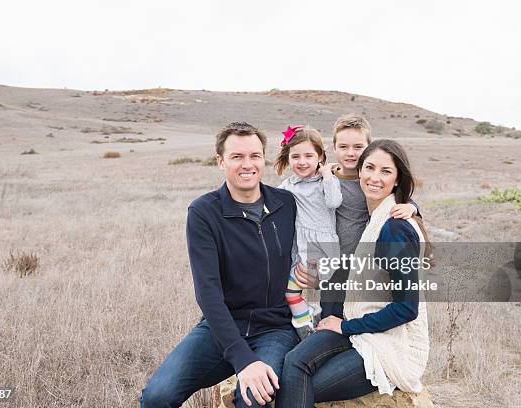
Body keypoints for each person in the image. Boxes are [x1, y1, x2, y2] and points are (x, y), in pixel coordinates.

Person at [139, 122, 299, 408]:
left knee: (253, 399)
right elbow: (208, 294)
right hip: (222, 326)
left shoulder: (285, 203)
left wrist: (408, 205)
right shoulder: (204, 211)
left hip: (276, 328)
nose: (247, 164)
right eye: (237, 156)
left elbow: (347, 203)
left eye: (254, 156)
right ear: (220, 161)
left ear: (264, 158)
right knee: (156, 397)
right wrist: (242, 359)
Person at [277, 139, 431, 406]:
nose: (374, 177)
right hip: (360, 326)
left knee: (299, 383)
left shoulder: (394, 229)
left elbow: (407, 309)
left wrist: (345, 326)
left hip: (387, 345)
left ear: (397, 180)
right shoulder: (371, 215)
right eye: (369, 168)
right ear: (359, 172)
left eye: (385, 171)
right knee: (294, 362)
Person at [318, 114, 418, 320]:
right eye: (343, 147)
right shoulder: (326, 180)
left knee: (356, 317)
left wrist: (412, 207)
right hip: (333, 266)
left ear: (369, 148)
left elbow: (397, 198)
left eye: (358, 147)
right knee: (329, 319)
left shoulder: (373, 182)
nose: (350, 153)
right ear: (334, 147)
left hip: (364, 266)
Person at [274, 125, 342, 340]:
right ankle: (308, 322)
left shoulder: (326, 182)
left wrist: (327, 175)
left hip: (323, 246)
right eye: (295, 156)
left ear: (320, 156)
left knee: (308, 285)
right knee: (291, 289)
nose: (302, 161)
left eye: (308, 155)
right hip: (302, 245)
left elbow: (334, 202)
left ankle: (309, 324)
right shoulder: (288, 185)